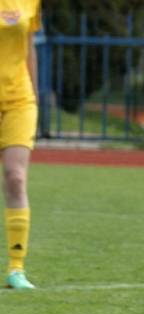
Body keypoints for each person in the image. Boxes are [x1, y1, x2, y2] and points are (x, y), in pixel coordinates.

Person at [0, 0, 40, 289]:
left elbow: (30, 46)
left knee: (15, 177)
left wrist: (35, 96)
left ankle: (16, 269)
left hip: (19, 99)